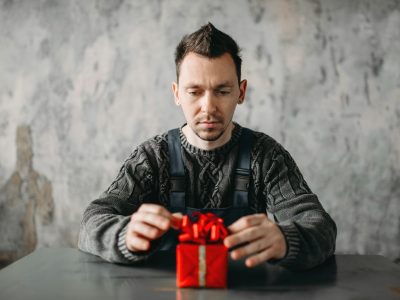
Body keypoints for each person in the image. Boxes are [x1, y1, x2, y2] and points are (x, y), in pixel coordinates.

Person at [78, 22, 336, 270]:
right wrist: (124, 236)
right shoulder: (152, 157)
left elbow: (320, 228)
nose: (208, 107)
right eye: (194, 92)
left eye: (222, 91)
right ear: (177, 93)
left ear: (241, 92)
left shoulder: (266, 156)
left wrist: (286, 240)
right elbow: (91, 224)